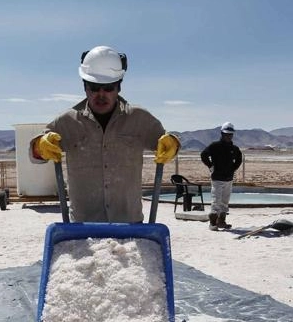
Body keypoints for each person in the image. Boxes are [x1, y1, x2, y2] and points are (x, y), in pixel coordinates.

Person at [29, 45, 180, 223]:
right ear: (85, 87)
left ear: (118, 87)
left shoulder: (140, 119)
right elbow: (34, 156)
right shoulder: (67, 121)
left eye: (108, 88)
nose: (101, 94)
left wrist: (173, 144)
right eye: (94, 87)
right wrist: (40, 146)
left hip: (129, 225)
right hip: (83, 227)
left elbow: (168, 144)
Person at [200, 122, 243, 230]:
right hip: (217, 178)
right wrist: (210, 166)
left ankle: (221, 221)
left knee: (225, 201)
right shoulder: (215, 146)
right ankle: (213, 223)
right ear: (222, 134)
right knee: (216, 201)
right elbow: (204, 155)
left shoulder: (234, 148)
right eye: (226, 134)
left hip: (228, 179)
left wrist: (233, 168)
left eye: (230, 134)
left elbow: (239, 158)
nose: (228, 136)